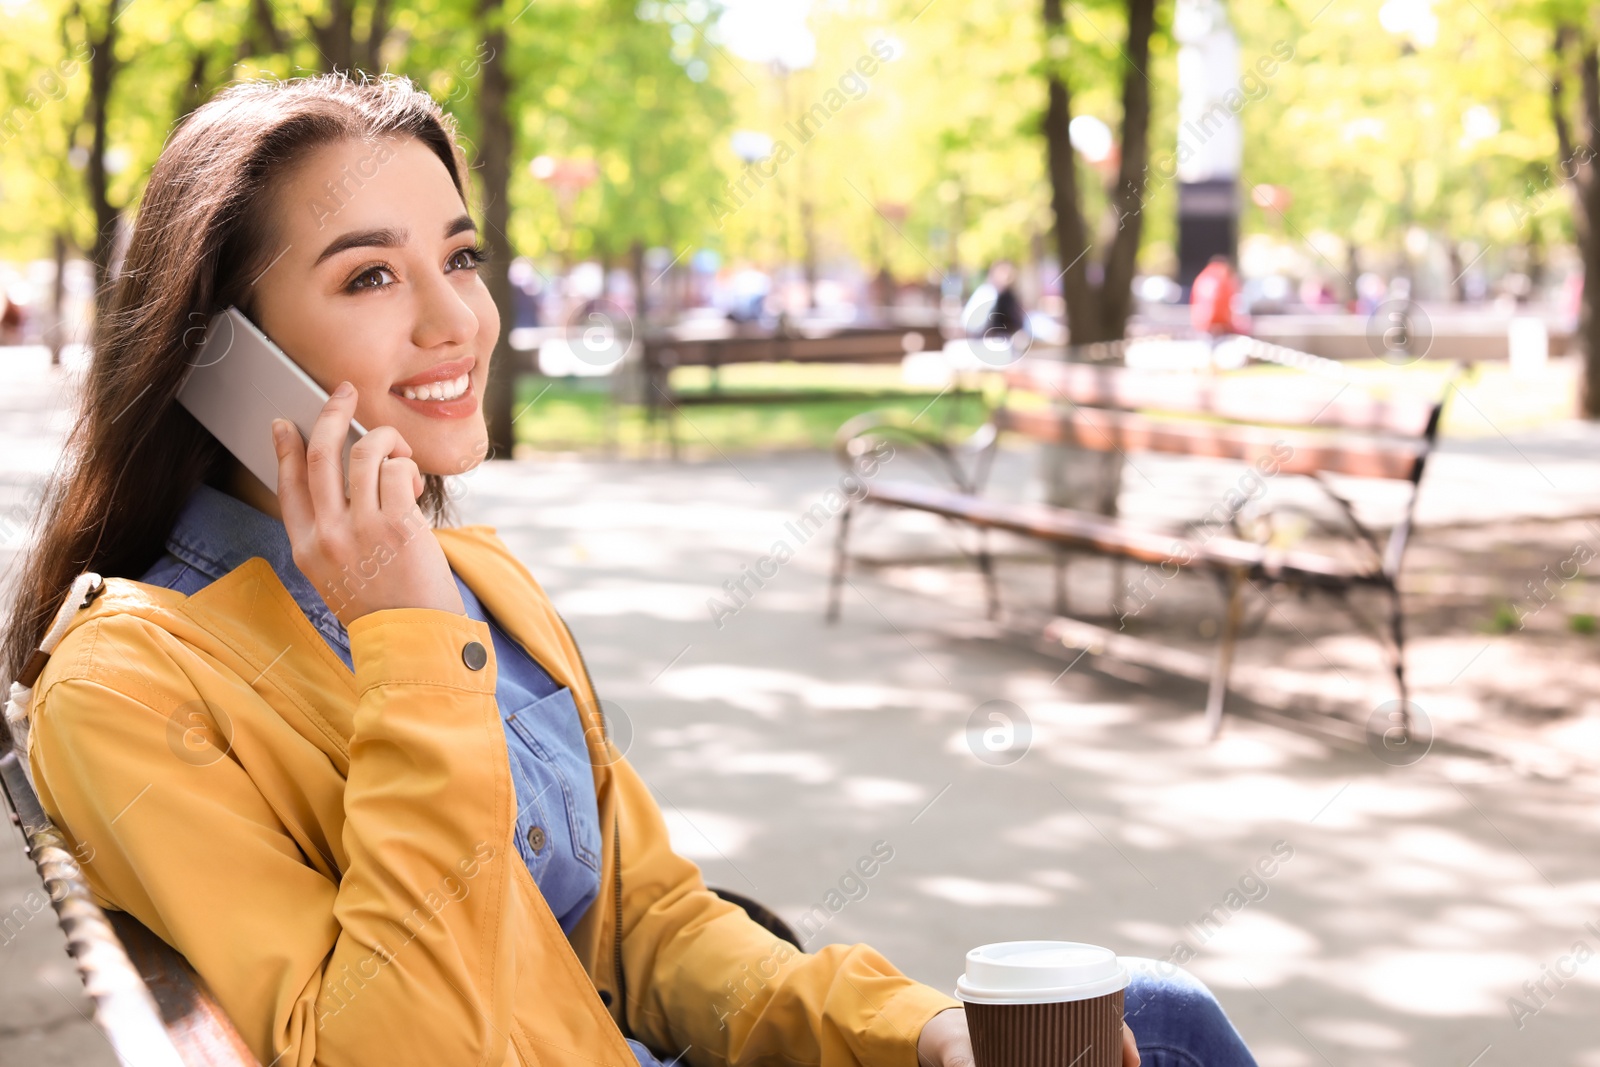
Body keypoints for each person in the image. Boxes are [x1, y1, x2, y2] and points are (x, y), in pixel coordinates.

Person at [1, 73, 1259, 1067]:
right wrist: (400, 640)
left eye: (462, 256)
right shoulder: (128, 684)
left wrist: (913, 1029)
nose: (457, 320)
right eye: (371, 274)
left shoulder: (473, 582)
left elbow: (649, 924)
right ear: (221, 356)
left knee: (1155, 1017)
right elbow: (382, 1042)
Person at [1189, 254, 1239, 342]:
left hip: (1201, 326)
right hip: (1218, 328)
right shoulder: (1222, 277)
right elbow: (1219, 303)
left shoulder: (1201, 277)